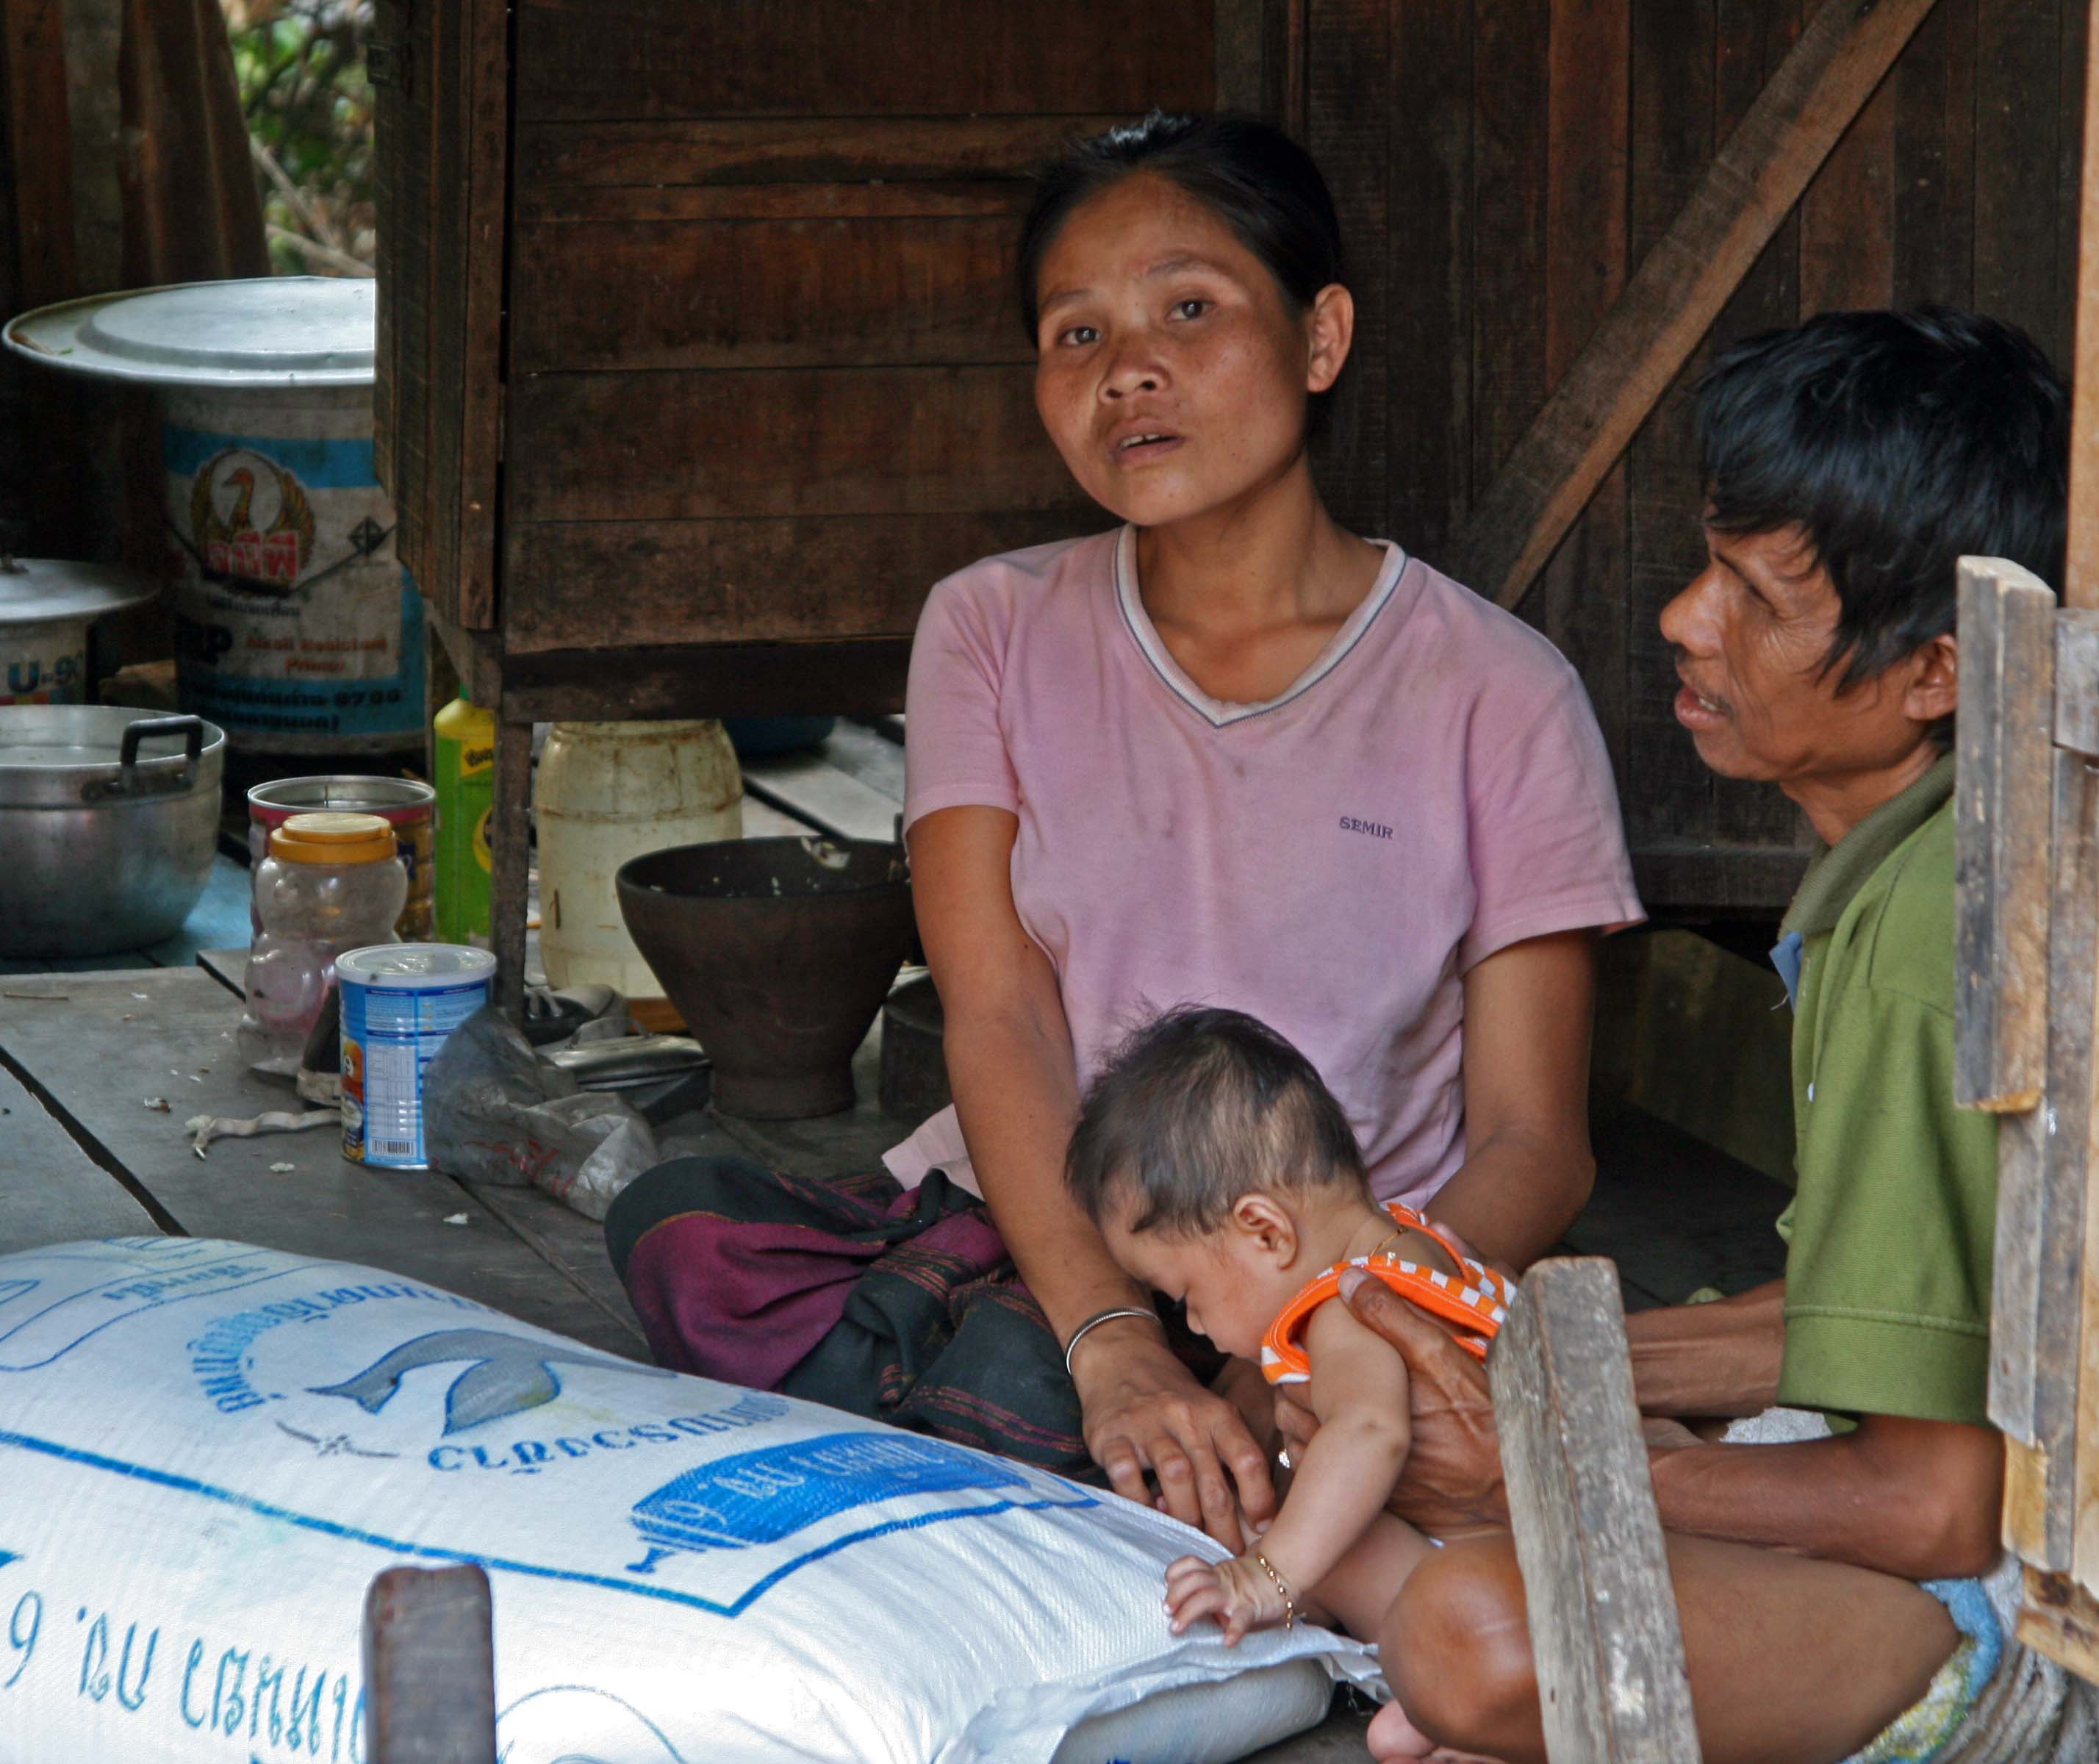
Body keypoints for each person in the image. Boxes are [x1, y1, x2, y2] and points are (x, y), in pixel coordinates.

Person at [606, 111, 1640, 1550]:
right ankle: (1070, 1416)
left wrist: (1300, 1337)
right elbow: (997, 1015)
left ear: (1321, 337)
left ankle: (1056, 1438)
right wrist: (1113, 1338)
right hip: (1054, 1230)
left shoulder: (1499, 691)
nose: (1126, 370)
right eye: (1075, 333)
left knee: (1096, 1409)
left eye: (1188, 310)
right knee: (685, 1232)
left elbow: (1535, 1142)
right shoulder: (991, 627)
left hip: (1340, 1274)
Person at [1296, 307, 2095, 1764]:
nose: (1682, 617)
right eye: (1705, 566)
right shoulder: (1918, 863)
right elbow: (1883, 1323)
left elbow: (1937, 1505)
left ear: (1933, 671)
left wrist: (1545, 1469)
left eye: (1755, 598)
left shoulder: (1932, 937)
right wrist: (1510, 1358)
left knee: (1471, 1629)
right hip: (1989, 1490)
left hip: (2044, 1606)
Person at [1063, 1004, 1513, 1683]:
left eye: (1185, 1296)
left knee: (1335, 1542)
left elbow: (1369, 1432)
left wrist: (1265, 1577)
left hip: (1476, 1601)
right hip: (1521, 1561)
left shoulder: (1347, 1308)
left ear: (1267, 1233)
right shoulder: (1425, 1244)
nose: (1192, 1325)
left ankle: (1451, 1685)